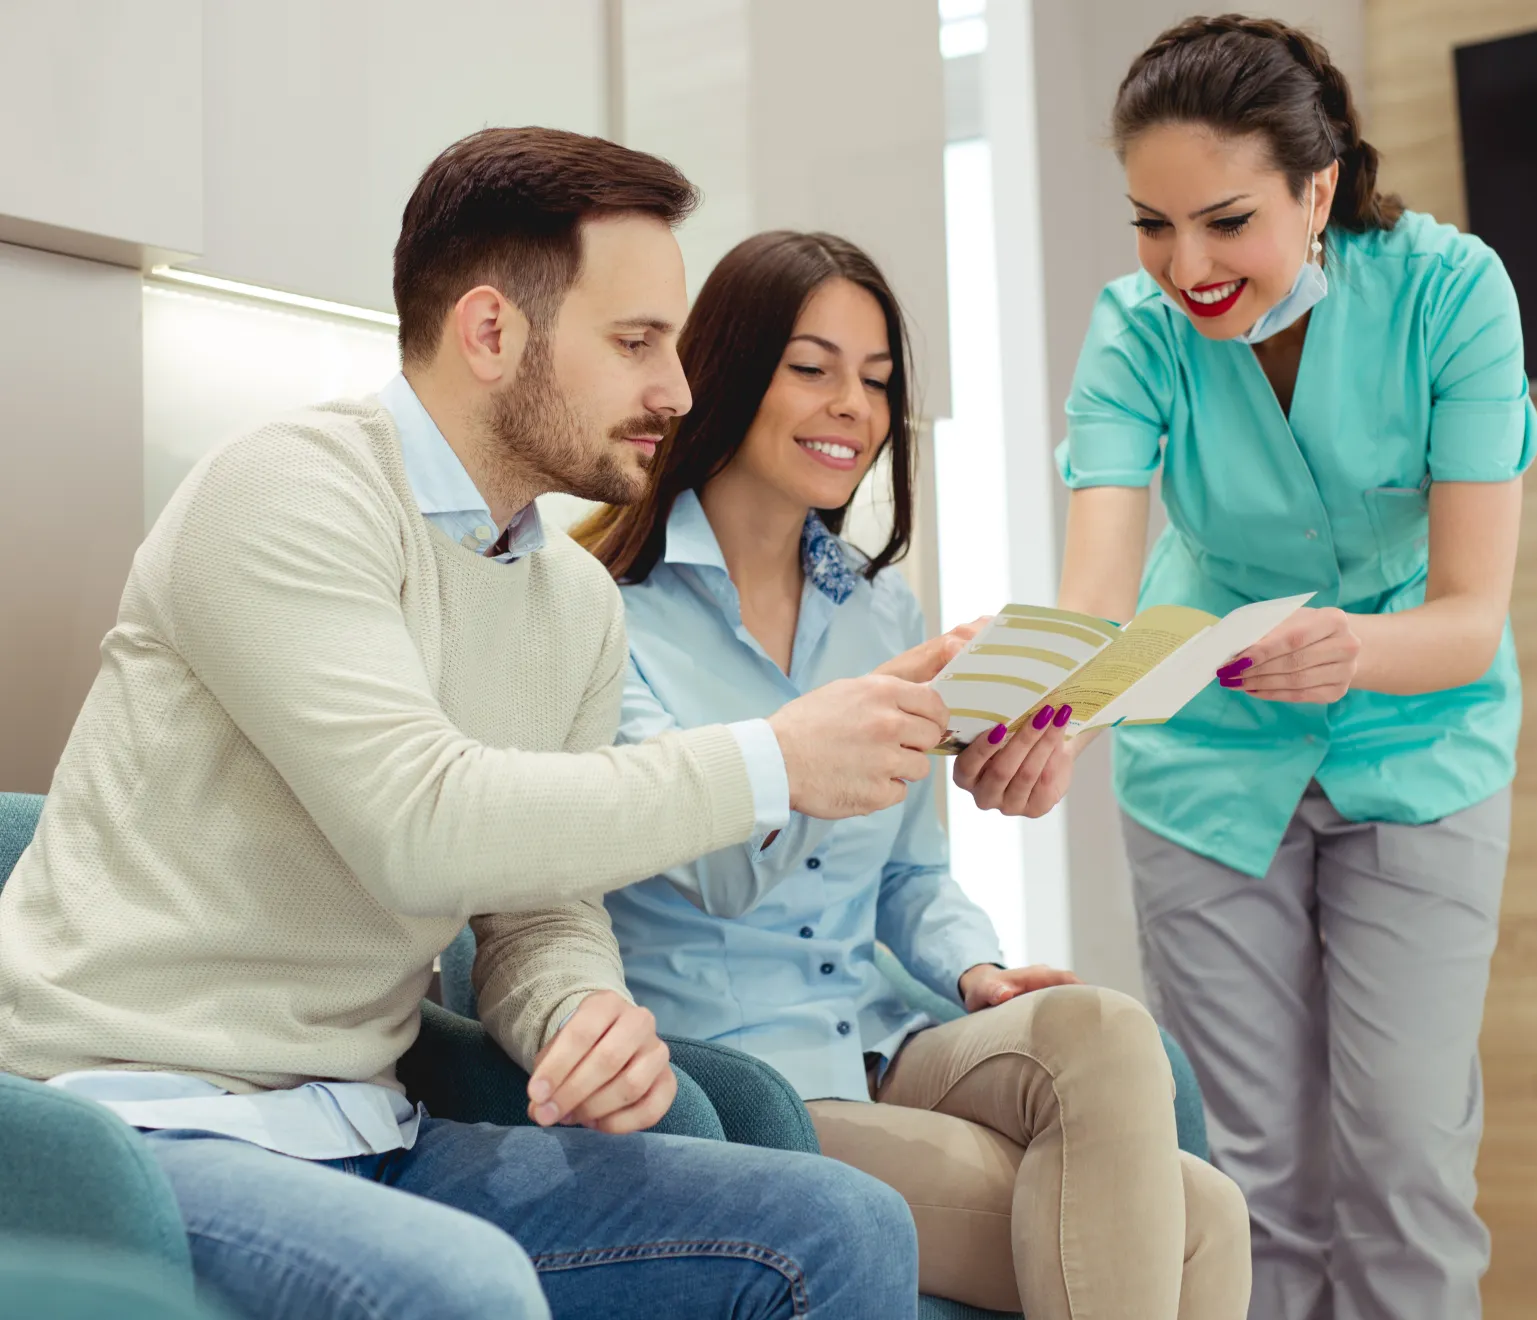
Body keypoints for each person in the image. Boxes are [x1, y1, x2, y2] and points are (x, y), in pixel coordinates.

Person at [0, 128, 936, 1320]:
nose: (679, 391)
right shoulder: (287, 493)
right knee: (461, 1287)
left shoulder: (572, 601)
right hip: (136, 1126)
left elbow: (535, 903)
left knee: (837, 1223)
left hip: (377, 1126)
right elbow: (422, 824)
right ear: (492, 332)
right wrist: (775, 761)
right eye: (636, 342)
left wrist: (575, 1010)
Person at [481, 229, 1254, 1320]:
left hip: (881, 1037)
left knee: (1107, 1032)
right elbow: (713, 873)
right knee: (1200, 1221)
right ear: (729, 372)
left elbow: (909, 877)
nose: (852, 403)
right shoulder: (603, 609)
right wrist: (844, 727)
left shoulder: (878, 608)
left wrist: (975, 972)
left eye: (877, 380)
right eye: (812, 368)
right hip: (740, 1080)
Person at [1024, 16, 1537, 1320]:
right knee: (1248, 1181)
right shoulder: (1135, 332)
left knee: (1408, 1165)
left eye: (1225, 221)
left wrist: (1354, 650)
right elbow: (1096, 589)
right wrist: (1049, 717)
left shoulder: (1450, 291)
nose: (1186, 266)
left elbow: (1472, 615)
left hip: (1419, 741)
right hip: (1201, 756)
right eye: (1152, 224)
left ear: (1319, 188)